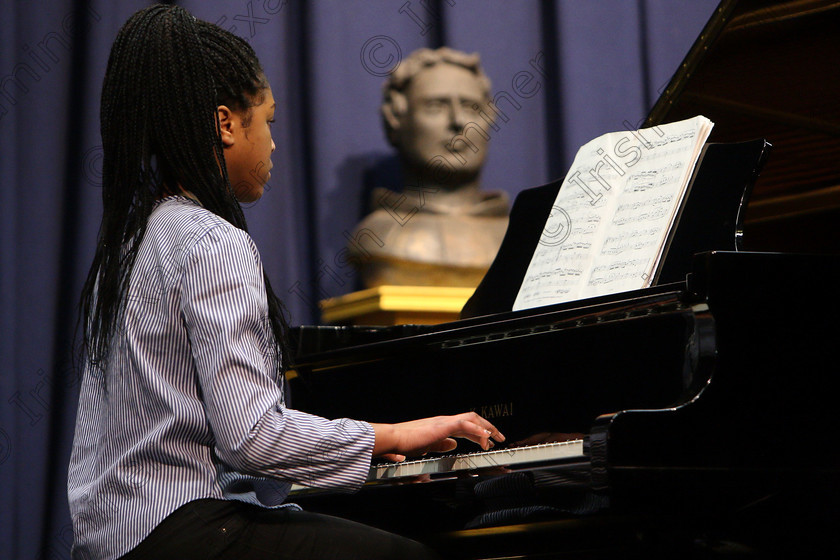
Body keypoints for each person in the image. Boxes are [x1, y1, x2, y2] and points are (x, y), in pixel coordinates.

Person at [68, 6, 503, 559]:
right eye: (267, 121)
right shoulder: (211, 242)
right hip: (188, 528)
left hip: (116, 538)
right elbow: (252, 437)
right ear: (226, 124)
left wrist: (351, 455)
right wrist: (391, 434)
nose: (273, 144)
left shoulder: (130, 242)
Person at [348, 47, 509, 288]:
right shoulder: (378, 237)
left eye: (470, 107)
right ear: (395, 119)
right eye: (436, 106)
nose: (457, 121)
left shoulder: (522, 239)